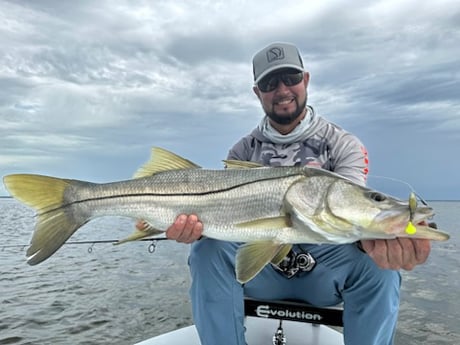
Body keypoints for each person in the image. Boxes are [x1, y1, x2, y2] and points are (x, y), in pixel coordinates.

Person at [148, 42, 432, 345]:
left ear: (305, 80)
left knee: (379, 267)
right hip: (261, 273)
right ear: (258, 92)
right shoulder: (242, 151)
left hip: (325, 275)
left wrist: (406, 228)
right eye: (271, 83)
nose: (283, 89)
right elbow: (225, 223)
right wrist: (195, 230)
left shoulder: (342, 144)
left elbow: (354, 211)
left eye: (291, 78)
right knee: (207, 251)